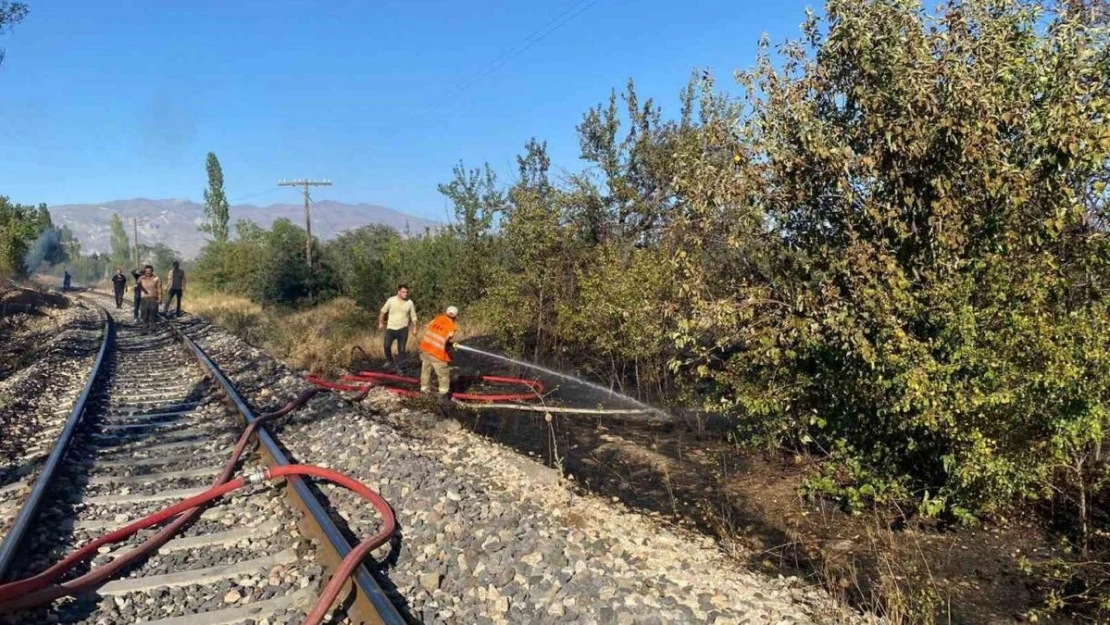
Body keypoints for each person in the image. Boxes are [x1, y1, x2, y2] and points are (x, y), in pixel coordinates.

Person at [419, 305, 458, 398]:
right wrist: (450, 344)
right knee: (443, 373)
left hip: (425, 348)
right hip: (436, 352)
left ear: (446, 312)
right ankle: (443, 395)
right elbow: (447, 338)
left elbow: (430, 328)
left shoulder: (437, 319)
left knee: (425, 369)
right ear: (455, 316)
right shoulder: (451, 326)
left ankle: (424, 390)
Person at [377, 284, 417, 370]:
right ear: (398, 292)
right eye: (403, 292)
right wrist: (380, 323)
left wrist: (414, 327)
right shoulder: (391, 300)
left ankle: (401, 367)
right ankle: (389, 360)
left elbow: (413, 316)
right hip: (391, 328)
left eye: (406, 292)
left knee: (401, 349)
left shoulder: (409, 302)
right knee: (386, 346)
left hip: (403, 328)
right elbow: (382, 312)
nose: (405, 294)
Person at [136, 265, 162, 334]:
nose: (148, 272)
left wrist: (160, 298)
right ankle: (144, 330)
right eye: (146, 271)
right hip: (144, 299)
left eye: (149, 271)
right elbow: (137, 285)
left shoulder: (156, 278)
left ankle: (153, 330)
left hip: (153, 298)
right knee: (144, 315)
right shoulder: (142, 278)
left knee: (153, 315)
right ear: (144, 272)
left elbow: (159, 289)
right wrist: (140, 278)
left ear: (152, 271)